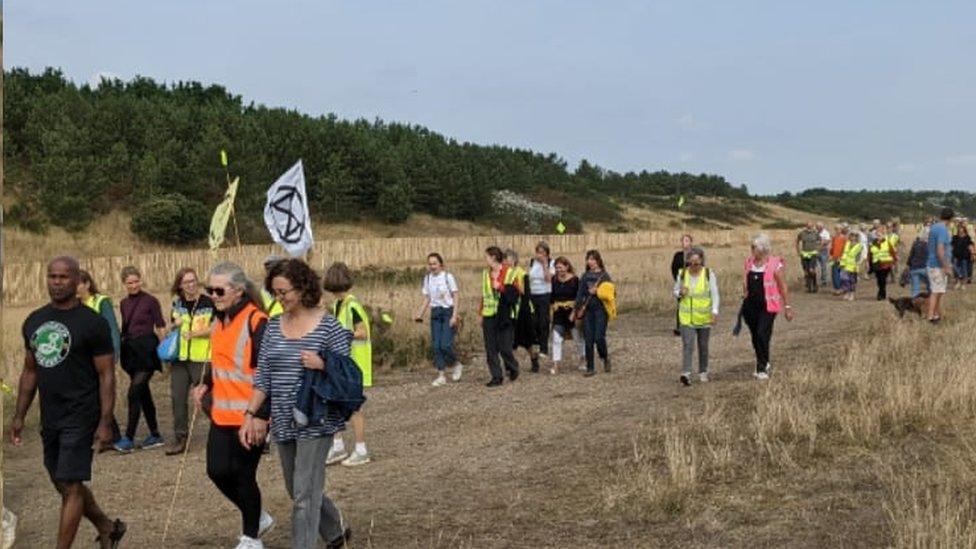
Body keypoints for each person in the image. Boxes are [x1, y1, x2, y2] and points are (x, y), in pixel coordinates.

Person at [11, 256, 127, 549]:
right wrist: (19, 415)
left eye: (64, 277)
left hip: (82, 412)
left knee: (72, 485)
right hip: (51, 414)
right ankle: (106, 526)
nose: (57, 282)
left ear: (77, 281)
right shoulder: (34, 320)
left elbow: (106, 376)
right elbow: (30, 370)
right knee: (61, 482)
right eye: (52, 276)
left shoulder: (92, 323)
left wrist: (104, 421)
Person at [241, 258, 353, 549]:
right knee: (296, 488)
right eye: (275, 293)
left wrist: (322, 362)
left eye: (284, 292)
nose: (279, 299)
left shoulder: (329, 327)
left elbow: (349, 373)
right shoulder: (274, 326)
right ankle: (336, 528)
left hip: (318, 419)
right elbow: (263, 376)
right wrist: (250, 413)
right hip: (283, 419)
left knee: (304, 494)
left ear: (303, 288)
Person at [191, 262, 274, 549]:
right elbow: (219, 360)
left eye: (218, 290)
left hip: (250, 416)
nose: (212, 295)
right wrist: (205, 383)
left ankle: (251, 538)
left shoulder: (257, 321)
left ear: (238, 291)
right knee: (216, 471)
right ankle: (257, 515)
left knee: (243, 475)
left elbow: (268, 373)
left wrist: (261, 416)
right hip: (221, 413)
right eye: (209, 289)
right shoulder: (218, 321)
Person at [323, 262, 373, 468]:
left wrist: (345, 334)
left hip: (354, 365)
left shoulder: (352, 305)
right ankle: (338, 447)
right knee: (333, 404)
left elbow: (362, 331)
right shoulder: (337, 306)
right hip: (341, 363)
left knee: (354, 408)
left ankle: (361, 450)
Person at [114, 266, 166, 453]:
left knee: (134, 392)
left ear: (141, 281)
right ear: (124, 284)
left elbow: (160, 325)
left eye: (136, 281)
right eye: (130, 282)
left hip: (148, 351)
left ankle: (128, 437)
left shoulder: (151, 301)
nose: (134, 285)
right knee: (143, 393)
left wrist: (165, 350)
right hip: (131, 352)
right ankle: (155, 434)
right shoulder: (123, 303)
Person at [165, 267, 215, 455]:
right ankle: (181, 438)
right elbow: (173, 327)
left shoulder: (209, 302)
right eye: (187, 282)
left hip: (201, 358)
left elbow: (216, 328)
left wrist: (196, 333)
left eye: (193, 281)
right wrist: (173, 326)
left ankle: (223, 430)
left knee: (206, 398)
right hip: (180, 359)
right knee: (178, 397)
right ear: (180, 285)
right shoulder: (177, 304)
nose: (191, 285)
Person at [77, 270, 123, 450]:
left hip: (101, 357)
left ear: (87, 284)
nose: (74, 288)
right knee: (92, 396)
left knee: (102, 394)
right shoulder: (76, 305)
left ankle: (111, 434)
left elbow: (112, 328)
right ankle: (104, 433)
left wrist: (114, 353)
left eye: (77, 283)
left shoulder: (100, 302)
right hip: (84, 360)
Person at [741, 235, 794, 379]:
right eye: (751, 247)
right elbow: (745, 281)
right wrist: (744, 293)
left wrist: (787, 306)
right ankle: (763, 360)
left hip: (768, 306)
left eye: (754, 247)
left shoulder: (775, 264)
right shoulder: (748, 263)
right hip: (750, 306)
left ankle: (762, 368)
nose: (751, 250)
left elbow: (782, 286)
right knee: (755, 337)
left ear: (762, 249)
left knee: (762, 333)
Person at [414, 253, 463, 387]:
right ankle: (441, 375)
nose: (432, 266)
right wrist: (420, 313)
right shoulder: (428, 279)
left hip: (447, 312)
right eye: (430, 264)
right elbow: (427, 298)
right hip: (435, 313)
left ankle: (456, 364)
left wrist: (454, 315)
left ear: (440, 264)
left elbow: (456, 296)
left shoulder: (448, 277)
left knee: (445, 344)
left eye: (434, 263)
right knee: (436, 346)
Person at [674, 248, 719, 385]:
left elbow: (715, 294)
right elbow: (675, 291)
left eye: (697, 262)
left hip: (704, 317)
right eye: (691, 262)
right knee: (688, 344)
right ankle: (686, 373)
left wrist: (715, 311)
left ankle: (703, 371)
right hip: (686, 318)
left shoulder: (708, 274)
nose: (694, 265)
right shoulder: (682, 274)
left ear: (702, 261)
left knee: (703, 345)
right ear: (688, 262)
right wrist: (680, 292)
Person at [479, 246, 521, 387]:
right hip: (489, 314)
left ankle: (513, 367)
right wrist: (481, 313)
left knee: (505, 347)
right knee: (490, 347)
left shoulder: (510, 272)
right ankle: (496, 376)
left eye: (486, 257)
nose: (485, 260)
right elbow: (484, 295)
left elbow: (516, 293)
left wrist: (500, 287)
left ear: (493, 257)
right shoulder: (485, 274)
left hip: (505, 315)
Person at [576, 249, 612, 377]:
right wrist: (577, 308)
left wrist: (598, 291)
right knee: (588, 339)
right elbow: (580, 294)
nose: (590, 262)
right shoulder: (585, 276)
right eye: (588, 259)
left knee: (599, 337)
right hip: (588, 311)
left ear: (598, 261)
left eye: (593, 259)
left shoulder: (605, 276)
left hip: (601, 310)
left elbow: (611, 294)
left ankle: (605, 357)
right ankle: (590, 367)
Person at [549, 257, 584, 375]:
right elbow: (551, 297)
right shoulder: (554, 280)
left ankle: (583, 358)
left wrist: (576, 312)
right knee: (556, 338)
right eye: (557, 268)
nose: (559, 270)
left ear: (567, 266)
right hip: (559, 313)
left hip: (572, 312)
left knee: (577, 338)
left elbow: (579, 298)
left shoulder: (575, 280)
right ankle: (556, 364)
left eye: (561, 267)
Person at [504, 249, 536, 369]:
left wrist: (516, 286)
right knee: (510, 342)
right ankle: (510, 366)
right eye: (504, 259)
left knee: (526, 341)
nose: (506, 262)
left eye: (508, 259)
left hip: (523, 310)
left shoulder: (522, 273)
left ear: (514, 260)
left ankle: (534, 358)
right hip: (509, 312)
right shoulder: (504, 274)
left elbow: (526, 293)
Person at [528, 241, 555, 371]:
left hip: (545, 294)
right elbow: (530, 277)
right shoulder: (532, 262)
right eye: (538, 252)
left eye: (542, 253)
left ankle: (544, 347)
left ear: (547, 254)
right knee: (534, 320)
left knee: (544, 320)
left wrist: (545, 264)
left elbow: (548, 279)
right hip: (533, 294)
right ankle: (536, 342)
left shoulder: (551, 262)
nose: (539, 255)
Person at [927, 208, 955, 323]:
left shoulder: (934, 227)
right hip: (937, 265)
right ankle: (931, 316)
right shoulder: (943, 229)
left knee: (939, 291)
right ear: (951, 218)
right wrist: (946, 267)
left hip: (934, 264)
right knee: (936, 291)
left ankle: (936, 314)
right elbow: (940, 250)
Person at [670, 235, 695, 335]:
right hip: (681, 282)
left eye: (687, 240)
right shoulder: (678, 255)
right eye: (683, 241)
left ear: (690, 242)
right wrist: (677, 280)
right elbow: (673, 268)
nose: (684, 242)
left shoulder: (695, 255)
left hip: (693, 282)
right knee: (681, 304)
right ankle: (679, 326)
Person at [868, 224, 897, 300]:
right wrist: (869, 264)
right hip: (876, 264)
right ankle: (881, 292)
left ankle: (881, 294)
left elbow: (892, 253)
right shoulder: (872, 244)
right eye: (877, 235)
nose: (878, 236)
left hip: (886, 264)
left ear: (883, 235)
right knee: (879, 280)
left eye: (880, 235)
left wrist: (894, 262)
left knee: (882, 279)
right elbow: (870, 255)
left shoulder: (887, 243)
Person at [796, 222, 821, 293]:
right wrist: (798, 251)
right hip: (804, 254)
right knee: (806, 271)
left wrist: (818, 249)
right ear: (806, 226)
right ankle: (809, 286)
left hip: (813, 254)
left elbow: (821, 240)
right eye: (808, 226)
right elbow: (797, 241)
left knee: (811, 270)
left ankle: (815, 284)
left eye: (811, 226)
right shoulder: (802, 233)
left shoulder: (815, 233)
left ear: (813, 226)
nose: (809, 227)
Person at [839, 230, 864, 302]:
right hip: (844, 264)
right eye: (852, 235)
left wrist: (857, 265)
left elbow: (858, 257)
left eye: (855, 235)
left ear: (857, 237)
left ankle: (851, 294)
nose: (853, 237)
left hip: (853, 266)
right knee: (844, 279)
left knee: (852, 281)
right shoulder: (847, 243)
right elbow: (844, 253)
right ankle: (846, 292)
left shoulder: (859, 246)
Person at [906, 228, 931, 298]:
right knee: (931, 287)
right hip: (926, 268)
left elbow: (911, 256)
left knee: (915, 289)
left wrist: (908, 265)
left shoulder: (915, 243)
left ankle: (914, 304)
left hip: (914, 268)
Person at [951, 223, 974, 289]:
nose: (960, 229)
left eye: (961, 228)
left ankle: (963, 284)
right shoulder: (954, 237)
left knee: (964, 269)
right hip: (956, 255)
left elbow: (970, 246)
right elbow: (951, 246)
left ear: (964, 229)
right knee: (954, 267)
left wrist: (973, 254)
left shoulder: (967, 237)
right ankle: (959, 279)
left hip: (965, 256)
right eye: (959, 228)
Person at [828, 224, 848, 295]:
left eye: (838, 229)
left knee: (841, 273)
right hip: (834, 258)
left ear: (841, 230)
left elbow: (846, 248)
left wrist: (842, 257)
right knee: (834, 273)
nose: (837, 230)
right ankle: (837, 288)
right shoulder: (834, 238)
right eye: (836, 229)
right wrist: (830, 255)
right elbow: (832, 248)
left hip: (842, 258)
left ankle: (841, 288)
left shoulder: (844, 238)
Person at [817, 222, 831, 287]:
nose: (818, 228)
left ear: (822, 227)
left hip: (823, 251)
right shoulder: (816, 232)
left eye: (819, 226)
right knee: (817, 267)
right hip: (816, 251)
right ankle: (818, 280)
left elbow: (828, 241)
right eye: (817, 226)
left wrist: (821, 242)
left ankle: (824, 281)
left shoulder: (826, 233)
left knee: (823, 266)